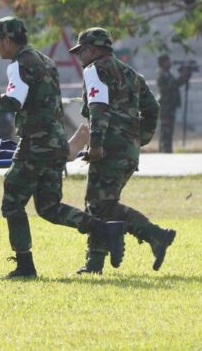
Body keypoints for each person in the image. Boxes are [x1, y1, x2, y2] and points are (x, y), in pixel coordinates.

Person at [0, 16, 125, 279]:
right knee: (49, 207)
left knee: (12, 202)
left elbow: (14, 103)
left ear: (7, 40)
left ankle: (25, 266)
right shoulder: (46, 61)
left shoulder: (18, 65)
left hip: (35, 144)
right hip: (55, 141)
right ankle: (104, 229)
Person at [69, 28, 175, 274]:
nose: (79, 56)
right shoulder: (132, 74)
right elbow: (153, 108)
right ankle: (94, 263)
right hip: (127, 147)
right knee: (100, 204)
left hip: (108, 146)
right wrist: (141, 138)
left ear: (92, 50)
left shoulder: (94, 69)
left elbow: (98, 107)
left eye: (80, 51)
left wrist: (96, 144)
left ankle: (155, 235)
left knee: (100, 204)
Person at [156, 54, 191, 153]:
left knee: (169, 130)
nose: (169, 63)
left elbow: (175, 84)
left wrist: (185, 77)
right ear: (162, 63)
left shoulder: (167, 74)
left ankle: (166, 149)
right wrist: (183, 76)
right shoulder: (161, 74)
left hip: (170, 106)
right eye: (167, 61)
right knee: (166, 129)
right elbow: (170, 86)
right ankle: (165, 150)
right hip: (165, 106)